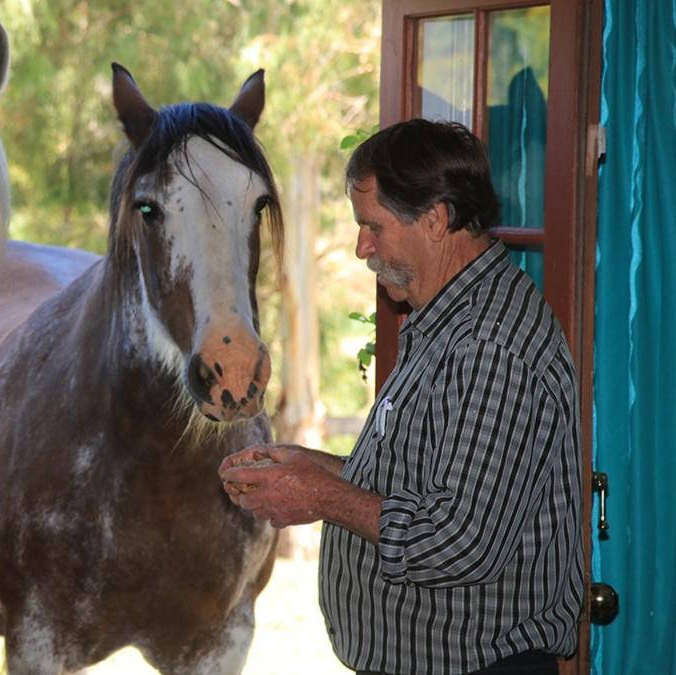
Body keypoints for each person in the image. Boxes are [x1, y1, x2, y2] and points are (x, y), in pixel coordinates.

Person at [219, 118, 583, 675]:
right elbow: (429, 486)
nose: (362, 246)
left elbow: (459, 540)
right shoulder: (448, 319)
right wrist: (317, 469)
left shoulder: (489, 343)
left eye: (373, 226)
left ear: (435, 219)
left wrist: (322, 497)